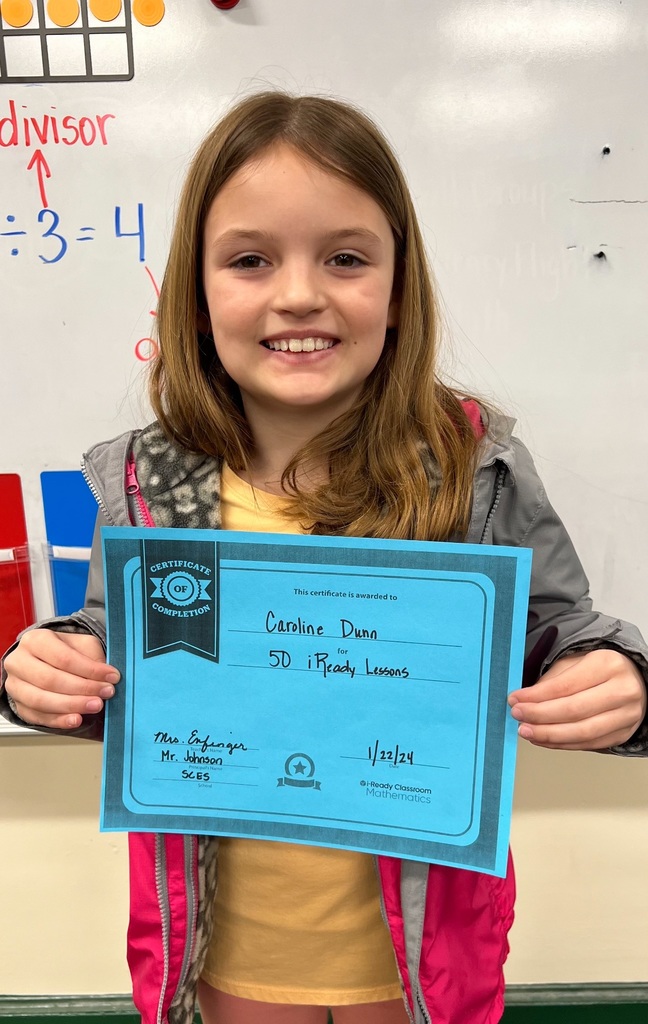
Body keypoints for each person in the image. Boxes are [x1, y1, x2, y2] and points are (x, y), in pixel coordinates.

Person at [2, 92, 647, 1024]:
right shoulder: (151, 484)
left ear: (398, 287)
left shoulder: (472, 466)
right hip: (224, 950)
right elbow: (120, 654)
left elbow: (559, 632)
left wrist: (617, 675)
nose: (299, 294)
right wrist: (52, 667)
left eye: (346, 258)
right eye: (250, 260)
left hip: (420, 958)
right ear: (196, 294)